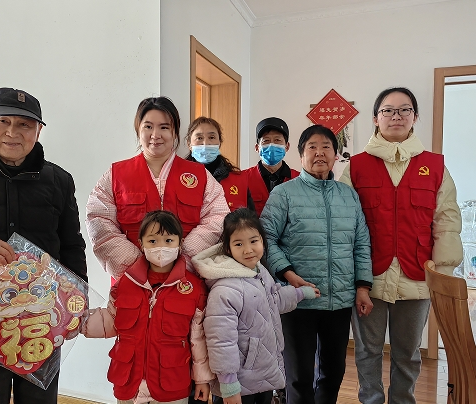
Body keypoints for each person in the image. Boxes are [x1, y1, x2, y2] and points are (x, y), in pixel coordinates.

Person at [0, 87, 88, 404]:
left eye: (24, 124)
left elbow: (71, 245)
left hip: (40, 320)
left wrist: (78, 301)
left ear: (38, 130)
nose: (13, 132)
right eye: (3, 121)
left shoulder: (59, 180)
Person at [338, 87, 463, 404]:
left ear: (415, 117)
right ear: (376, 118)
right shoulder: (356, 167)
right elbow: (343, 223)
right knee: (367, 351)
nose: (396, 116)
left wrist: (442, 276)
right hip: (368, 277)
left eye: (404, 110)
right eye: (388, 110)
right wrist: (351, 276)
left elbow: (447, 221)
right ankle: (371, 400)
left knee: (408, 353)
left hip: (417, 276)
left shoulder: (435, 166)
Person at [260, 124, 373, 404]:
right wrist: (288, 274)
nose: (319, 153)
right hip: (298, 298)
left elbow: (361, 243)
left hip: (339, 299)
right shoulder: (284, 194)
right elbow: (266, 239)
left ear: (336, 155)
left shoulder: (348, 195)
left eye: (326, 147)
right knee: (298, 376)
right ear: (301, 155)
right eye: (312, 147)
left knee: (333, 372)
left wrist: (362, 287)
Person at [86, 97, 229, 281]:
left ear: (175, 132)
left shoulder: (199, 175)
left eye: (164, 127)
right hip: (131, 280)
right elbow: (99, 220)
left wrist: (183, 258)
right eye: (148, 127)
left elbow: (217, 217)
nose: (155, 135)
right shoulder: (116, 174)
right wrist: (135, 264)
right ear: (138, 130)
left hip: (187, 279)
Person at [82, 210, 212, 404]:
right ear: (141, 244)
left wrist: (202, 379)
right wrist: (77, 321)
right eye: (152, 241)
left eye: (168, 241)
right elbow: (111, 320)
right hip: (129, 382)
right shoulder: (125, 283)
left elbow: (198, 338)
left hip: (171, 384)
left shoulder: (193, 288)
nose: (160, 247)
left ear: (180, 243)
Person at [192, 208, 319, 404]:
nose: (248, 250)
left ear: (262, 241)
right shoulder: (225, 289)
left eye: (253, 241)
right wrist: (229, 384)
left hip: (263, 374)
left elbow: (273, 300)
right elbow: (221, 342)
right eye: (238, 244)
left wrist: (301, 293)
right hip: (238, 384)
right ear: (227, 248)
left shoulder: (259, 272)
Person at [185, 117, 253, 211]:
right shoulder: (178, 178)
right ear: (189, 144)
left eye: (211, 137)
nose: (206, 143)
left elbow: (250, 217)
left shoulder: (239, 180)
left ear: (219, 142)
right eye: (199, 138)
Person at [243, 117, 299, 216]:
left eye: (277, 140)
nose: (272, 145)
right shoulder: (243, 179)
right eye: (266, 141)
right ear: (257, 147)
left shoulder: (299, 180)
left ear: (287, 146)